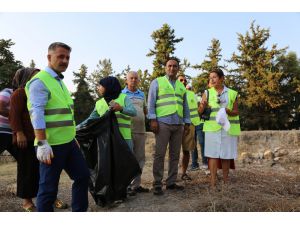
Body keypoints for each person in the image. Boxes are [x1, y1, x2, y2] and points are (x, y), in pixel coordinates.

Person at [25, 42, 90, 212]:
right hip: (50, 145)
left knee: (83, 176)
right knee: (48, 189)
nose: (65, 60)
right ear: (49, 57)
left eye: (67, 57)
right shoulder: (39, 81)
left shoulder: (59, 82)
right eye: (60, 56)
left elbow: (65, 115)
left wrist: (73, 137)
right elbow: (36, 113)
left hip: (68, 142)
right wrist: (42, 142)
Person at [147, 58, 190, 195]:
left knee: (175, 154)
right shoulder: (157, 82)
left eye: (175, 66)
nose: (172, 68)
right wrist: (153, 119)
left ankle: (171, 182)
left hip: (178, 123)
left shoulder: (181, 86)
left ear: (178, 68)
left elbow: (185, 105)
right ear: (165, 68)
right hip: (162, 123)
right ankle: (157, 183)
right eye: (169, 66)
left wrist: (187, 121)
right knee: (159, 154)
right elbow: (151, 102)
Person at [198, 68, 240, 188]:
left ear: (222, 78)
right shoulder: (207, 92)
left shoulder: (232, 93)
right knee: (212, 155)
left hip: (227, 129)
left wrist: (229, 111)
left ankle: (226, 182)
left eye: (214, 77)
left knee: (226, 155)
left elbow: (236, 112)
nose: (212, 79)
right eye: (210, 77)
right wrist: (202, 106)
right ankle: (212, 183)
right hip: (212, 129)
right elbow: (200, 112)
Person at [78, 76, 137, 150]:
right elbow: (90, 119)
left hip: (125, 138)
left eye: (100, 85)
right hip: (106, 139)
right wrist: (77, 128)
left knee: (127, 161)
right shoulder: (99, 103)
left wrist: (121, 108)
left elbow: (134, 112)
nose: (98, 88)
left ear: (108, 86)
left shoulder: (124, 97)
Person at [122, 71, 149, 195]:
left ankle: (136, 185)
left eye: (136, 78)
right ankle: (126, 186)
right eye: (131, 78)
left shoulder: (142, 94)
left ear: (138, 80)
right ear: (126, 80)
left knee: (140, 158)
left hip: (140, 130)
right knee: (127, 158)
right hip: (126, 131)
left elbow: (145, 110)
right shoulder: (121, 94)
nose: (133, 80)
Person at [177, 75, 200, 181]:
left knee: (186, 151)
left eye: (185, 80)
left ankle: (184, 173)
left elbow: (196, 109)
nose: (183, 81)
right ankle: (171, 175)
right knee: (173, 151)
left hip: (189, 125)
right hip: (175, 124)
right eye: (181, 80)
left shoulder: (191, 94)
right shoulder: (173, 93)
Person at [0, 87, 17, 160]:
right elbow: (0, 108)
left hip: (12, 132)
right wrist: (17, 116)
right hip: (2, 131)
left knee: (24, 160)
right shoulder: (7, 92)